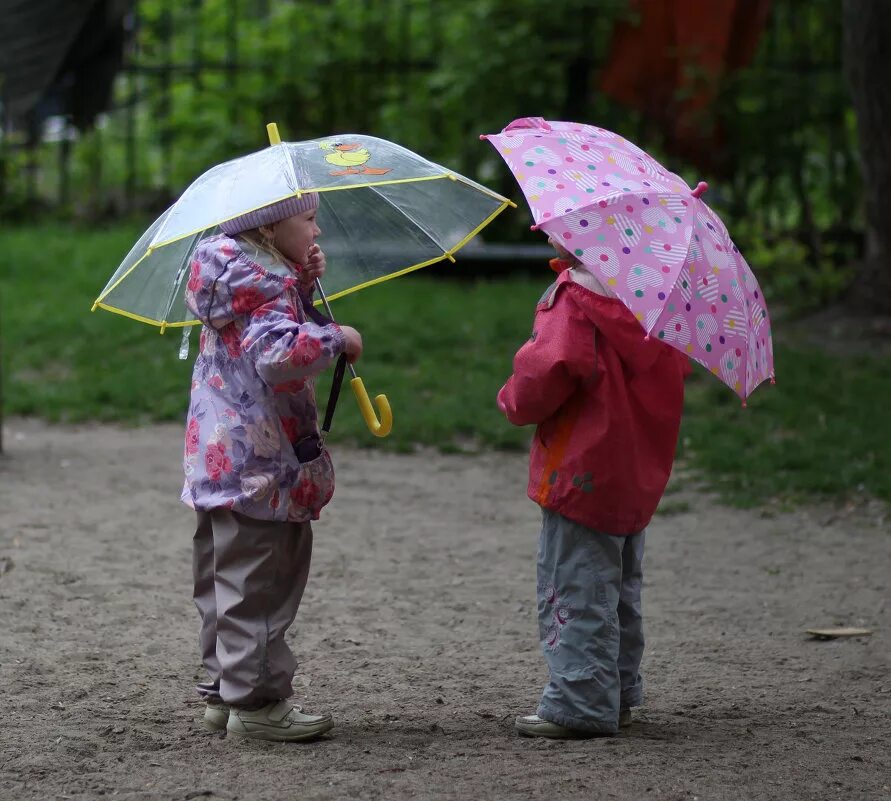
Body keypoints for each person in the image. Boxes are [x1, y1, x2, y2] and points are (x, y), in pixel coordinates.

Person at [182, 190, 362, 742]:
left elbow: (258, 330)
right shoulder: (267, 288)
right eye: (308, 220)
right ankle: (257, 703)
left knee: (223, 584)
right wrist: (337, 338)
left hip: (222, 465)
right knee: (263, 586)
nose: (318, 233)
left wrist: (302, 284)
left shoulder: (237, 280)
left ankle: (224, 693)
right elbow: (278, 356)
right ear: (267, 230)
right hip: (262, 465)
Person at [497, 237, 690, 738]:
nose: (542, 229)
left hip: (579, 471)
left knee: (576, 586)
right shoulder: (660, 303)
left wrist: (512, 399)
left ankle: (582, 700)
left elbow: (545, 373)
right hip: (632, 471)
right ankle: (619, 691)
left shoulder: (576, 299)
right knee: (620, 585)